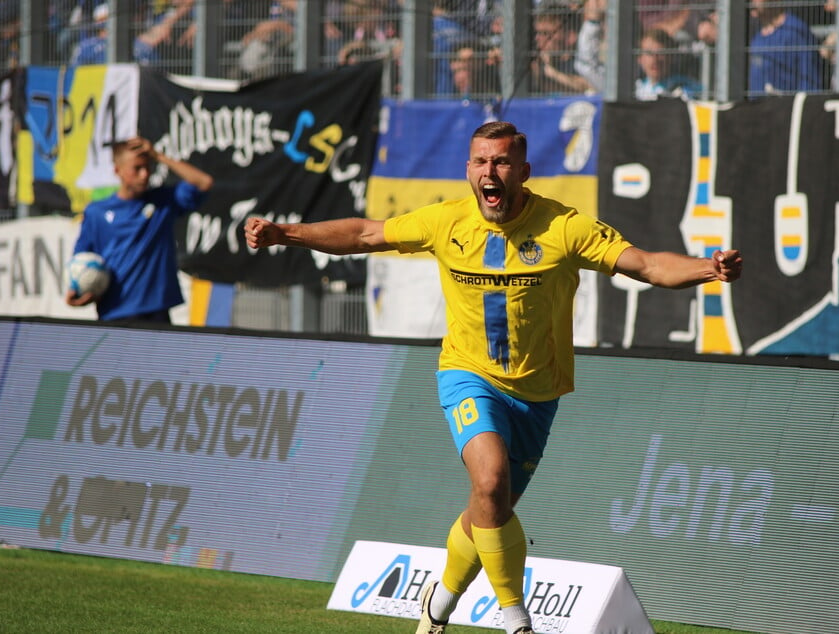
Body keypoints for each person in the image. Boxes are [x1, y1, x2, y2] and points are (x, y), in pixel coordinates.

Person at [244, 121, 742, 634]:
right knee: (490, 480)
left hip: (537, 393)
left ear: (523, 172)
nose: (490, 172)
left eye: (502, 163)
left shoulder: (563, 227)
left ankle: (436, 609)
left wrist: (709, 269)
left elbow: (646, 265)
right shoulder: (446, 222)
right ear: (468, 170)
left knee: (488, 508)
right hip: (467, 374)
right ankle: (517, 621)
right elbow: (367, 233)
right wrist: (287, 234)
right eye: (481, 162)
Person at [66, 136, 214, 322]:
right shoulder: (97, 212)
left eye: (147, 167)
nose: (145, 174)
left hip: (157, 312)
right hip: (115, 312)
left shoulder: (163, 202)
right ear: (117, 170)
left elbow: (204, 182)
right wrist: (77, 290)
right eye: (137, 168)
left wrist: (159, 156)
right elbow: (81, 260)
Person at [748, 0, 823, 95]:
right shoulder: (756, 35)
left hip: (786, 106)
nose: (751, 2)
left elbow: (810, 81)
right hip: (757, 107)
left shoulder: (796, 31)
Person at [530, 1, 594, 95]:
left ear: (570, 36)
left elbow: (588, 87)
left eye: (546, 33)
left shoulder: (581, 65)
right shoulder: (535, 61)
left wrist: (547, 73)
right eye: (537, 33)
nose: (538, 38)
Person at [635, 27, 702, 100]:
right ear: (639, 58)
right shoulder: (635, 89)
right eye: (649, 53)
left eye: (661, 53)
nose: (655, 59)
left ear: (671, 57)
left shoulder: (688, 88)